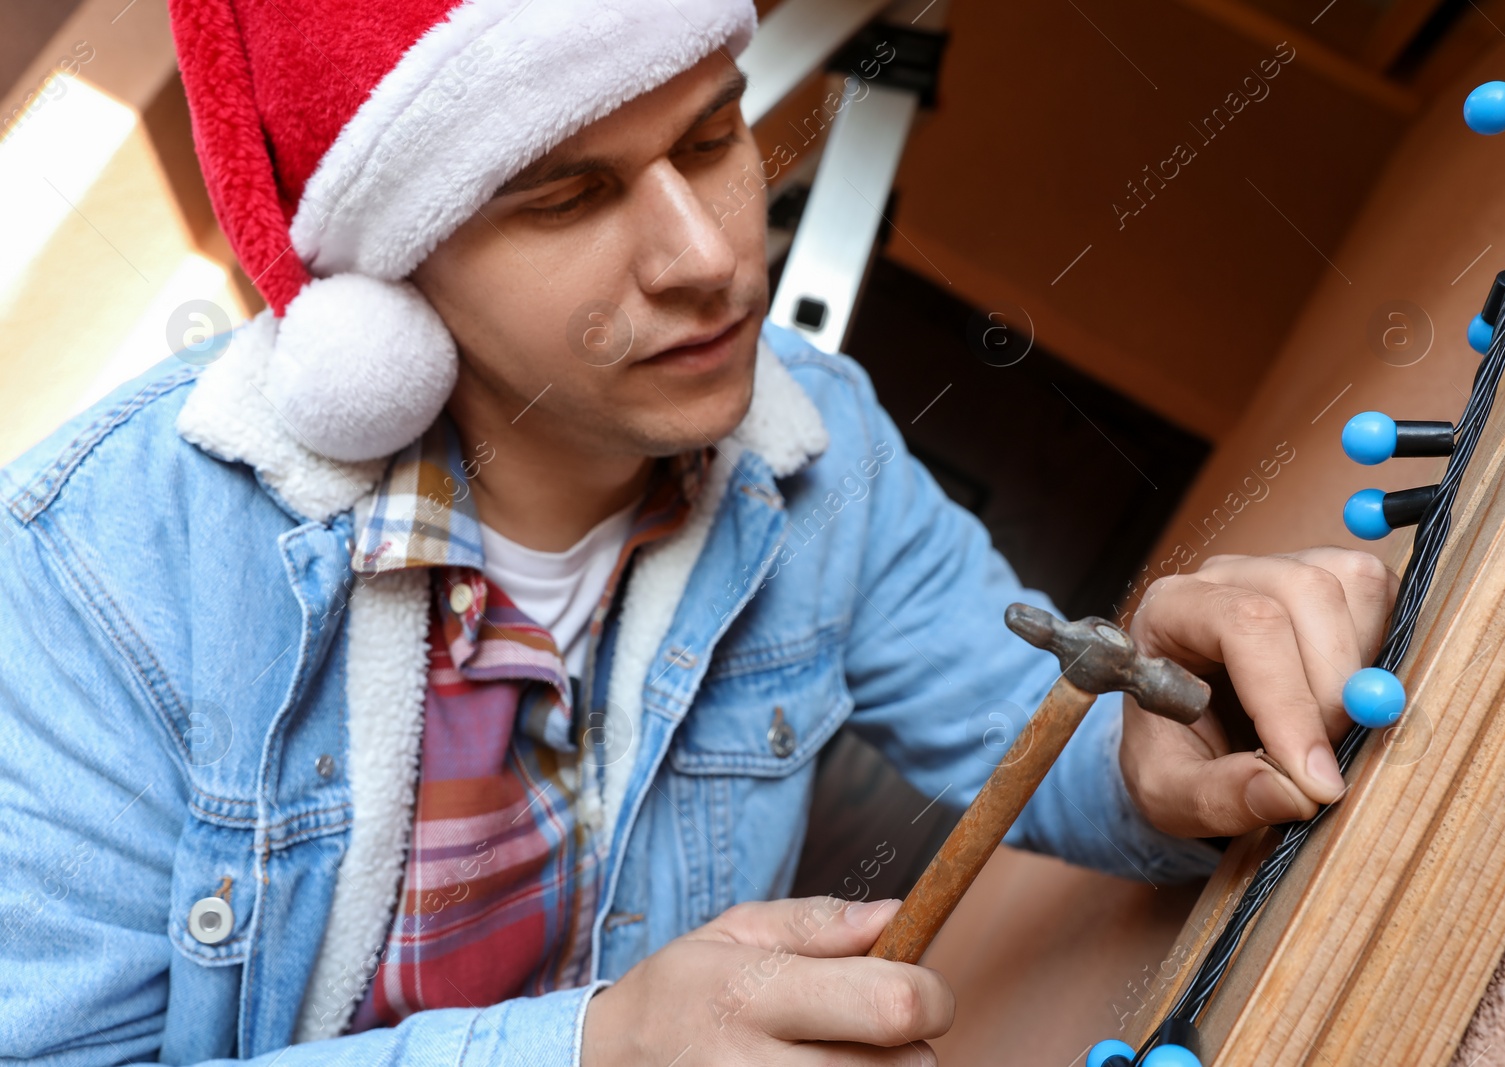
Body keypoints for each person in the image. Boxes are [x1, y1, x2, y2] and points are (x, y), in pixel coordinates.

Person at [0, 1, 1396, 1064]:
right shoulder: (92, 579)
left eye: (713, 136)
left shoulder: (819, 451)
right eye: (566, 194)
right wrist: (593, 1047)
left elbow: (1042, 741)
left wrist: (1169, 755)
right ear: (388, 277)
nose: (711, 255)